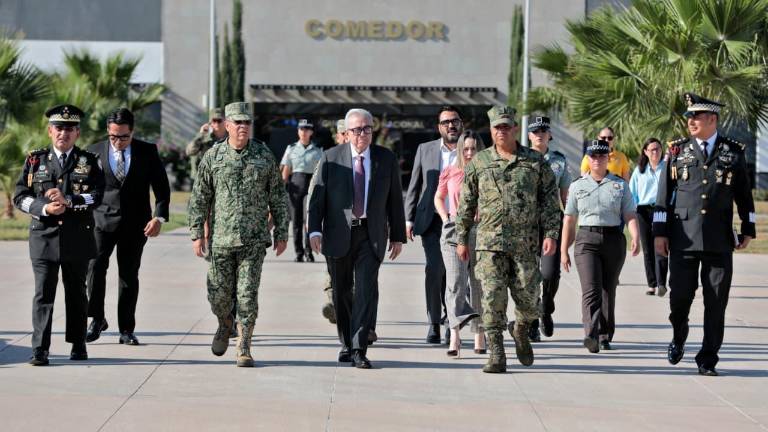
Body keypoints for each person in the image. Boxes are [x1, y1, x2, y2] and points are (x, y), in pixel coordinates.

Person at [654, 92, 756, 377]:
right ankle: (679, 336)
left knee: (716, 302)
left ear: (712, 119)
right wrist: (659, 233)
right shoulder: (677, 151)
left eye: (696, 116)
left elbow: (745, 197)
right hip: (683, 238)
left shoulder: (733, 152)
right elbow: (663, 197)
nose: (690, 121)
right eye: (689, 116)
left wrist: (748, 229)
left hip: (718, 239)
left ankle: (708, 358)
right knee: (680, 299)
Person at [455, 105, 561, 373]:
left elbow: (550, 200)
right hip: (489, 245)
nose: (501, 131)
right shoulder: (479, 163)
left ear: (515, 128)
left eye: (506, 126)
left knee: (530, 300)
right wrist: (461, 238)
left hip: (525, 245)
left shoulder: (535, 162)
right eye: (496, 127)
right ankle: (496, 352)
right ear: (490, 130)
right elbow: (466, 204)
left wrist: (551, 234)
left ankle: (521, 329)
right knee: (492, 298)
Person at [188, 102, 289, 367]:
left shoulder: (263, 155)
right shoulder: (214, 156)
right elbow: (200, 196)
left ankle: (243, 346)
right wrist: (197, 232)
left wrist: (281, 230)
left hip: (253, 240)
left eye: (247, 123)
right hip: (221, 239)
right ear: (228, 125)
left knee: (246, 295)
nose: (243, 127)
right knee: (218, 295)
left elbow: (278, 196)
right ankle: (224, 322)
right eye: (238, 122)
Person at [308, 108, 406, 369]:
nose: (362, 134)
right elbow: (317, 199)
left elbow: (395, 200)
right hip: (338, 233)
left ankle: (360, 348)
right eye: (357, 130)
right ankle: (346, 343)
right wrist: (314, 230)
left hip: (371, 234)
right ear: (347, 133)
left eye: (367, 129)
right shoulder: (331, 158)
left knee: (365, 289)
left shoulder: (386, 159)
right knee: (341, 292)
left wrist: (397, 235)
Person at [13, 104, 105, 366]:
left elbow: (98, 195)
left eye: (69, 129)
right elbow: (20, 196)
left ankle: (78, 343)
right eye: (58, 128)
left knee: (77, 292)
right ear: (50, 131)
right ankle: (40, 349)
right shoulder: (35, 160)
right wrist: (44, 207)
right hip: (44, 237)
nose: (63, 133)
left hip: (77, 237)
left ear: (77, 133)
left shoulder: (88, 161)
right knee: (43, 293)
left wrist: (70, 200)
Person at [83, 108, 171, 346]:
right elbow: (82, 188)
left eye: (123, 137)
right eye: (113, 136)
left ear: (132, 132)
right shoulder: (93, 151)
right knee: (94, 269)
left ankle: (126, 329)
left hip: (136, 224)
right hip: (101, 221)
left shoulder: (147, 151)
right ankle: (96, 319)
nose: (118, 142)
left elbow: (161, 189)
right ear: (107, 132)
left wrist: (158, 218)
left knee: (128, 276)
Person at [561, 140, 640, 353]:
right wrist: (563, 250)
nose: (597, 159)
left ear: (607, 158)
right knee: (591, 289)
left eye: (601, 156)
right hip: (586, 239)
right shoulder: (578, 185)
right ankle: (591, 334)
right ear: (587, 158)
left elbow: (630, 214)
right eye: (593, 156)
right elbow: (569, 219)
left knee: (608, 289)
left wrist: (635, 236)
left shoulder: (620, 185)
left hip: (613, 239)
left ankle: (605, 335)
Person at [405, 105, 462, 344]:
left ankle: (452, 321)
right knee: (435, 269)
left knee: (456, 273)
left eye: (455, 121)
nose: (451, 125)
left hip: (460, 221)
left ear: (461, 124)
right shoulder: (425, 149)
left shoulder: (470, 149)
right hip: (432, 221)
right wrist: (408, 219)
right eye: (446, 122)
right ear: (439, 127)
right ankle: (434, 323)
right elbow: (414, 185)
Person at [434, 130, 485, 357]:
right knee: (455, 282)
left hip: (481, 230)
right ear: (459, 150)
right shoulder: (451, 171)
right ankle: (454, 333)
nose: (470, 152)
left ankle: (479, 334)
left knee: (479, 284)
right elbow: (438, 196)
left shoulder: (488, 173)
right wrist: (445, 217)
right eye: (465, 148)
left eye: (474, 148)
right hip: (454, 229)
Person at [526, 116, 571, 341]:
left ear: (549, 134)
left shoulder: (559, 161)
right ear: (529, 135)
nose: (539, 134)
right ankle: (533, 319)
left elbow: (566, 196)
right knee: (529, 275)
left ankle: (546, 309)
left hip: (552, 223)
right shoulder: (521, 159)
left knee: (550, 273)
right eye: (535, 131)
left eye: (543, 130)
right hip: (526, 224)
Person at [629, 138, 668, 297]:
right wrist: (633, 211)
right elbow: (632, 193)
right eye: (651, 149)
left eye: (658, 149)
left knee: (661, 246)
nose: (655, 152)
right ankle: (652, 284)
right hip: (644, 211)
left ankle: (661, 283)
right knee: (647, 249)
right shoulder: (639, 170)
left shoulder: (666, 168)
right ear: (645, 152)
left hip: (661, 210)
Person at [281, 119, 322, 262]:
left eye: (306, 129)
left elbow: (320, 172)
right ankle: (298, 252)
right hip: (295, 186)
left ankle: (308, 252)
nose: (303, 132)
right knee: (296, 221)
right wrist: (281, 187)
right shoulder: (291, 148)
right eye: (301, 129)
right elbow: (286, 171)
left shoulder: (317, 150)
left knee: (308, 221)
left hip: (311, 187)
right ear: (298, 131)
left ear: (311, 132)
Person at [186, 107, 228, 183]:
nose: (216, 123)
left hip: (225, 179)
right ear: (210, 123)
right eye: (214, 121)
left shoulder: (231, 138)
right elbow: (189, 152)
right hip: (204, 179)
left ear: (225, 122)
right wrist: (201, 134)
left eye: (219, 120)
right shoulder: (204, 138)